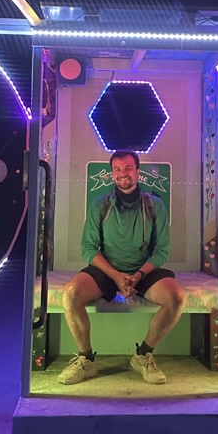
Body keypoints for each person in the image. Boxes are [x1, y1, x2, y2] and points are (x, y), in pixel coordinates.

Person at [58, 149, 187, 386]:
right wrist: (116, 276)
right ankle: (86, 359)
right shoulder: (100, 205)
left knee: (177, 297)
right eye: (117, 169)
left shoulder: (155, 205)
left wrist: (138, 275)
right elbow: (88, 248)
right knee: (70, 293)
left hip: (144, 271)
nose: (123, 173)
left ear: (137, 172)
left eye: (128, 168)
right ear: (112, 174)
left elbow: (162, 250)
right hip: (107, 270)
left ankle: (143, 355)